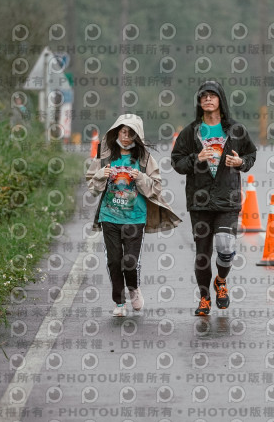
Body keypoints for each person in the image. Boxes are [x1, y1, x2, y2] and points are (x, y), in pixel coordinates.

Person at [171, 81, 257, 316]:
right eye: (204, 96)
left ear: (220, 100)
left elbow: (251, 153)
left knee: (225, 246)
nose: (208, 99)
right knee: (202, 255)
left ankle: (220, 281)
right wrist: (196, 157)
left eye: (212, 95)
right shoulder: (191, 132)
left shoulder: (235, 130)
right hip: (199, 200)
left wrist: (241, 163)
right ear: (199, 102)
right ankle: (204, 298)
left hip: (227, 198)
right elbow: (177, 162)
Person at [86, 114, 181, 316]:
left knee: (129, 261)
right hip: (109, 216)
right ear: (116, 133)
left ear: (137, 136)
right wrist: (101, 175)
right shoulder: (105, 157)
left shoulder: (145, 159)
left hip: (135, 218)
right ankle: (119, 303)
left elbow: (156, 189)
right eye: (123, 132)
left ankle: (133, 288)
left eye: (131, 133)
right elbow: (92, 188)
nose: (126, 137)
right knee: (113, 261)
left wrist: (142, 178)